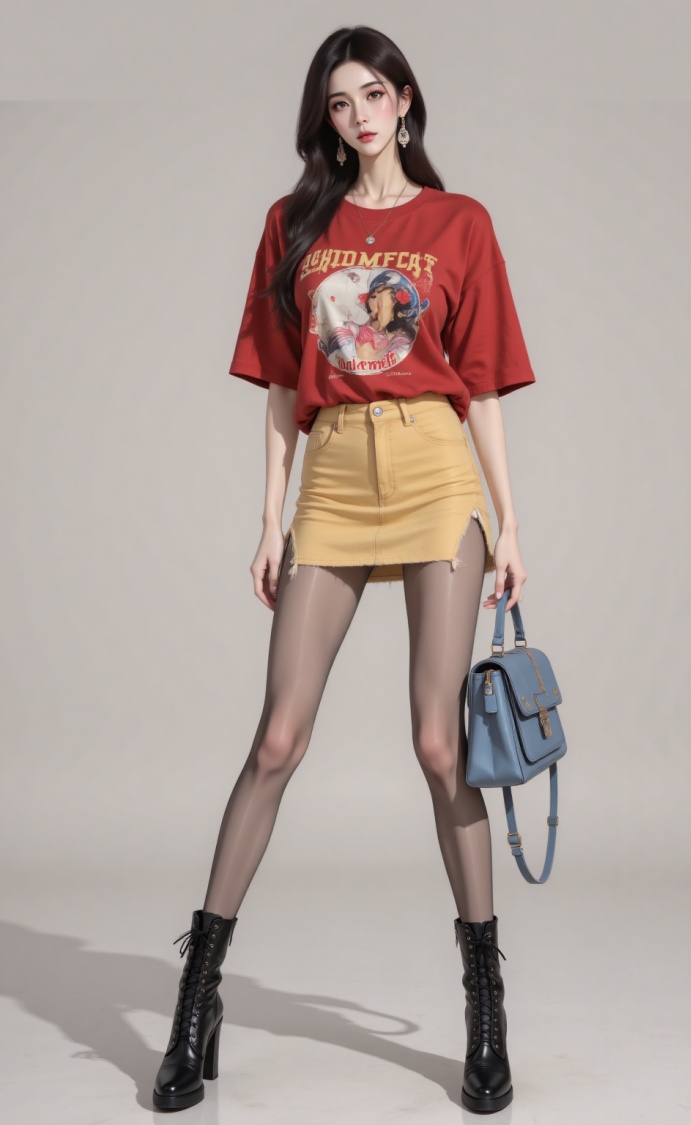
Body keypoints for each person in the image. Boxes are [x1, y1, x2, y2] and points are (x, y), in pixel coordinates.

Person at [153, 24, 536, 1116]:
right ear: (325, 118)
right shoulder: (296, 225)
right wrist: (269, 519)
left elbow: (483, 385)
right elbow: (283, 385)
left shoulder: (460, 223)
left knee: (438, 743)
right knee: (278, 738)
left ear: (405, 100)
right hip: (332, 479)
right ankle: (197, 997)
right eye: (339, 102)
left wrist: (512, 522)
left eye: (373, 94)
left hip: (434, 472)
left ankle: (485, 1004)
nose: (359, 115)